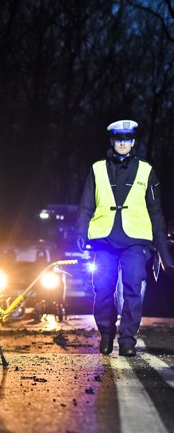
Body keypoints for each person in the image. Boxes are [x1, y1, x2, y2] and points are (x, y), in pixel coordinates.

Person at [75, 119, 170, 357]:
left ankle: (127, 339)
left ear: (133, 142)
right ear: (112, 140)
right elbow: (86, 205)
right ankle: (107, 333)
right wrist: (80, 232)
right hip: (104, 239)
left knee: (132, 287)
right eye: (119, 139)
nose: (123, 143)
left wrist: (160, 245)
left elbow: (155, 211)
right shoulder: (97, 168)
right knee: (103, 288)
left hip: (136, 240)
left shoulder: (146, 170)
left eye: (127, 139)